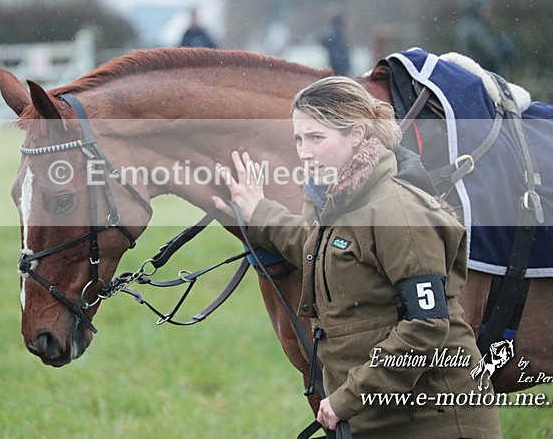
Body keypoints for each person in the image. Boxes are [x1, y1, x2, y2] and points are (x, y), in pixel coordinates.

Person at [212, 77, 502, 438]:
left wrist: (346, 399)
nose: (303, 152)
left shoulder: (398, 213)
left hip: (436, 423)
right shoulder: (347, 203)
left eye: (317, 137)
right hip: (380, 420)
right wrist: (257, 212)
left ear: (357, 135)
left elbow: (427, 326)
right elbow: (313, 245)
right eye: (299, 139)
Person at [455, 0, 517, 75]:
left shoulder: (474, 25)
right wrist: (503, 50)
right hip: (483, 71)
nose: (487, 10)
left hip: (479, 70)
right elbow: (488, 51)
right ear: (475, 9)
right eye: (483, 7)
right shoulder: (473, 28)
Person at [319, 11, 350, 75]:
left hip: (336, 64)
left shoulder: (332, 32)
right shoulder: (336, 33)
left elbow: (324, 41)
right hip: (339, 64)